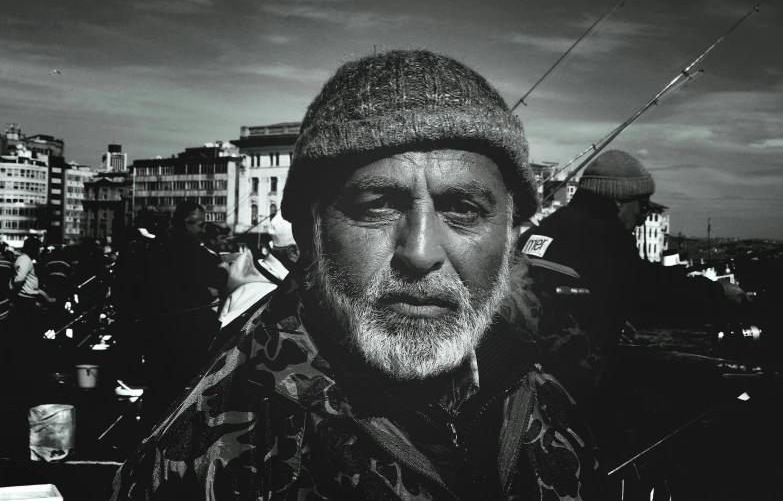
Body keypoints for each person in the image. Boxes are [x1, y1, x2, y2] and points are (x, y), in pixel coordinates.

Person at [112, 50, 607, 500]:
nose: (419, 252)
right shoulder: (207, 450)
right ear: (309, 226)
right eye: (377, 207)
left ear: (509, 233)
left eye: (462, 209)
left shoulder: (541, 395)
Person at [505, 149, 742, 408]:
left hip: (524, 372)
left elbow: (586, 287)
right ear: (618, 201)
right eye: (642, 207)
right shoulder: (602, 235)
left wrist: (608, 312)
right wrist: (719, 293)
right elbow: (652, 291)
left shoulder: (547, 228)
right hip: (569, 385)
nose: (641, 220)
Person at [136, 202, 226, 432]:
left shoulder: (156, 247)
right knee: (183, 389)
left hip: (158, 331)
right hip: (188, 334)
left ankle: (149, 434)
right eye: (201, 224)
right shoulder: (194, 251)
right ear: (188, 224)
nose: (203, 230)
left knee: (158, 387)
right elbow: (215, 278)